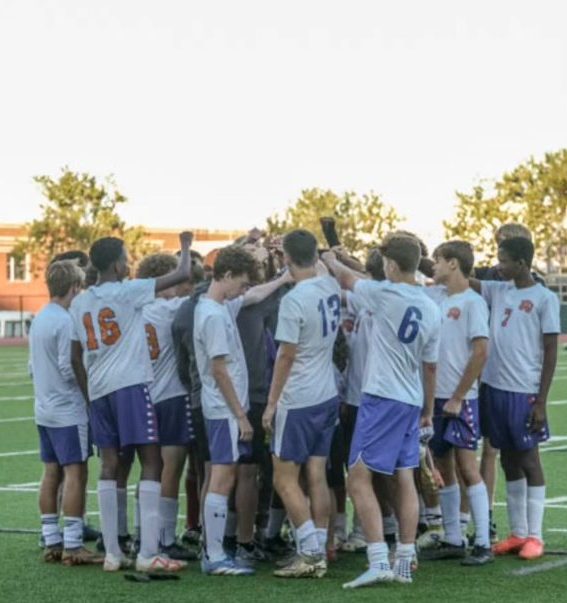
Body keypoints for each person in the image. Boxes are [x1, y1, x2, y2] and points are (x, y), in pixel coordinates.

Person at [69, 232, 193, 573]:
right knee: (152, 461)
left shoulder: (80, 301)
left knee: (110, 466)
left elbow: (75, 356)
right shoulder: (127, 291)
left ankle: (112, 553)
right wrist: (185, 246)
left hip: (99, 390)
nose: (128, 264)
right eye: (125, 258)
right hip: (130, 385)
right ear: (115, 264)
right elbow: (182, 274)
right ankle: (148, 551)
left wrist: (88, 395)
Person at [322, 235, 441, 588]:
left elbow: (346, 277)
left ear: (390, 264)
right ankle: (404, 557)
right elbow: (430, 365)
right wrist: (428, 410)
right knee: (404, 477)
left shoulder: (384, 293)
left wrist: (330, 257)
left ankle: (377, 559)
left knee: (357, 480)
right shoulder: (431, 306)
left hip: (382, 398)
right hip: (410, 399)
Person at [194, 245, 292, 576]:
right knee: (222, 477)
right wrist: (239, 415)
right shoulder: (212, 315)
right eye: (241, 282)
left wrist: (281, 280)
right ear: (226, 275)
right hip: (224, 410)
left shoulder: (218, 306)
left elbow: (251, 298)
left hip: (224, 408)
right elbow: (219, 369)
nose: (244, 289)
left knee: (226, 475)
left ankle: (215, 551)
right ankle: (214, 554)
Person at [470, 236, 559, 560]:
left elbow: (551, 350)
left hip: (524, 391)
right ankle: (518, 532)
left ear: (522, 263)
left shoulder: (544, 299)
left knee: (529, 459)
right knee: (507, 458)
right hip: (494, 388)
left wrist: (541, 401)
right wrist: (430, 259)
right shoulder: (499, 289)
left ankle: (535, 536)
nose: (498, 265)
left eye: (504, 260)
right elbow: (465, 279)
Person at [262, 230, 341, 580]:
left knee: (285, 479)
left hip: (299, 397)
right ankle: (321, 546)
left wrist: (271, 403)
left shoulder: (293, 300)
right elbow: (318, 265)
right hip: (327, 391)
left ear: (285, 259)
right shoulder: (330, 285)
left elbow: (286, 355)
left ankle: (310, 553)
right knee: (317, 476)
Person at [421, 241, 493, 565]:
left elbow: (480, 352)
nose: (433, 266)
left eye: (437, 261)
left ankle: (482, 542)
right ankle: (453, 537)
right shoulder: (435, 296)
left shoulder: (473, 303)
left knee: (467, 467)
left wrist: (458, 396)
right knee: (442, 465)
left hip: (459, 400)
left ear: (452, 264)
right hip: (435, 398)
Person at [30, 260, 102, 565]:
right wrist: (90, 391)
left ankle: (52, 540)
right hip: (68, 410)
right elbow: (67, 365)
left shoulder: (40, 317)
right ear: (74, 287)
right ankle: (73, 544)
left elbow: (33, 368)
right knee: (76, 473)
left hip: (44, 408)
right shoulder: (66, 320)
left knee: (51, 472)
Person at [137, 253, 197, 561]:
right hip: (171, 395)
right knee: (171, 468)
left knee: (148, 471)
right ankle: (164, 537)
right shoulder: (168, 308)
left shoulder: (135, 309)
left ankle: (141, 534)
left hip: (141, 395)